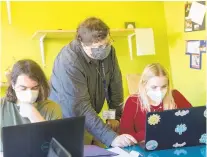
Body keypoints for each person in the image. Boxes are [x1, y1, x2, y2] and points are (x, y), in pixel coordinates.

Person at [49, 17, 137, 147]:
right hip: (67, 122)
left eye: (107, 43)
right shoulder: (69, 61)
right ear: (83, 44)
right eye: (99, 47)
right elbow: (80, 107)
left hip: (89, 117)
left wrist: (113, 117)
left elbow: (114, 87)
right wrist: (111, 137)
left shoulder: (109, 51)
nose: (105, 49)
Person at [0, 59, 62, 152]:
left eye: (34, 88)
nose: (29, 93)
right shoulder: (2, 106)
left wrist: (34, 116)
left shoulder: (52, 108)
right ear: (13, 85)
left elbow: (56, 149)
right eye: (23, 88)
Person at [120, 63, 192, 143]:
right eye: (154, 87)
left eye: (164, 86)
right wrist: (147, 134)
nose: (159, 91)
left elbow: (194, 120)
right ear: (144, 85)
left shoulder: (176, 96)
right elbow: (125, 137)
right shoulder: (133, 102)